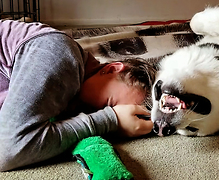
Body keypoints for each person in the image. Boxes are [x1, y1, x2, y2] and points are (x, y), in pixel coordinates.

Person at [0, 20, 156, 171]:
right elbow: (7, 150)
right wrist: (110, 119)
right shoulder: (60, 53)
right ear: (111, 69)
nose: (100, 112)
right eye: (108, 104)